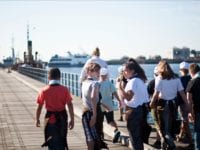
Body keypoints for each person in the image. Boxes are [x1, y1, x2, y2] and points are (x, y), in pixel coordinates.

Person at [150, 60, 189, 150]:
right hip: (173, 104)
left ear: (160, 68)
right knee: (170, 126)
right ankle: (164, 146)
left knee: (163, 127)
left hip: (162, 105)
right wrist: (187, 104)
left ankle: (171, 145)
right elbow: (182, 93)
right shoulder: (176, 78)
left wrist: (151, 103)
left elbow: (156, 94)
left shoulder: (159, 78)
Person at [36, 68, 74, 150]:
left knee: (51, 140)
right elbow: (70, 105)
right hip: (62, 118)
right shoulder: (65, 90)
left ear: (48, 77)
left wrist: (37, 119)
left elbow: (39, 107)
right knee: (62, 139)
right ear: (60, 77)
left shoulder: (44, 90)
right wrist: (72, 119)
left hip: (50, 119)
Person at [119, 61, 150, 150]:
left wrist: (120, 88)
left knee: (135, 138)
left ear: (132, 71)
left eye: (125, 71)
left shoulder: (133, 81)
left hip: (134, 112)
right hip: (141, 110)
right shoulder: (140, 80)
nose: (123, 73)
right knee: (138, 137)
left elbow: (128, 97)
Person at [81, 63, 107, 150]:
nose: (98, 73)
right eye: (97, 71)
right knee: (94, 137)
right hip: (92, 112)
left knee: (89, 136)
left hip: (85, 112)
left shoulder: (84, 82)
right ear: (90, 72)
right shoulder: (95, 83)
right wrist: (95, 115)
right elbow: (93, 98)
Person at [99, 67, 121, 143]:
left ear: (100, 74)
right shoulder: (109, 83)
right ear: (106, 75)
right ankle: (116, 131)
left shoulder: (97, 84)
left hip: (101, 105)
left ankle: (101, 136)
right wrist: (119, 101)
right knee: (110, 120)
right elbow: (115, 93)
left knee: (100, 121)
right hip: (109, 104)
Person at [176, 62, 193, 146]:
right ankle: (180, 135)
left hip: (182, 103)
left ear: (181, 70)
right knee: (184, 120)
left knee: (185, 120)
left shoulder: (179, 80)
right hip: (192, 103)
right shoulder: (192, 78)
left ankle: (191, 140)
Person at [186, 63, 200, 150]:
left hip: (198, 110)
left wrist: (190, 112)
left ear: (191, 72)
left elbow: (189, 100)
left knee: (198, 131)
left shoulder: (192, 82)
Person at [147, 66, 162, 148]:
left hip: (154, 105)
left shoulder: (152, 82)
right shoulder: (165, 81)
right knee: (163, 123)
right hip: (164, 105)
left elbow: (148, 95)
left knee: (157, 123)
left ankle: (159, 140)